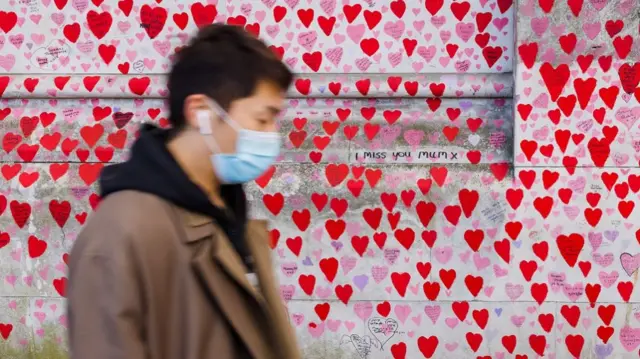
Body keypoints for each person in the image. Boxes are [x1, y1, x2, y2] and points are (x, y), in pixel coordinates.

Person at [66, 24, 300, 359]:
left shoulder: (228, 213)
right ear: (201, 112)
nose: (272, 134)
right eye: (263, 119)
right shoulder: (121, 234)